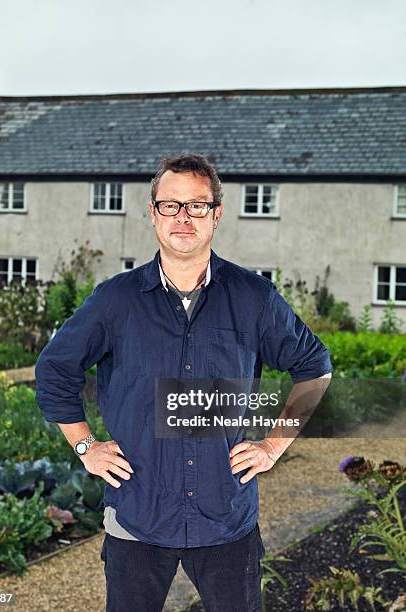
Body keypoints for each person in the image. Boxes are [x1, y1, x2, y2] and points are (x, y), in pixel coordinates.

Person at [35, 153, 332, 612]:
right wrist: (84, 446)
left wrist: (273, 445)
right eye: (171, 205)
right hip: (138, 512)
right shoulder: (115, 300)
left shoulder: (253, 297)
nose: (183, 218)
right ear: (153, 213)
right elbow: (55, 369)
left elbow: (314, 366)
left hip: (226, 516)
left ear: (217, 214)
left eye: (197, 205)